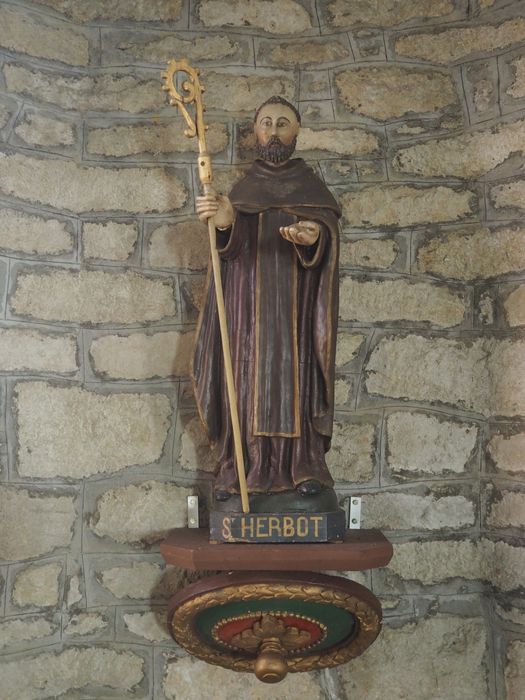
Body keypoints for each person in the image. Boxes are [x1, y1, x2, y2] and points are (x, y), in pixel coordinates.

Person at [192, 96, 341, 502]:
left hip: (296, 306)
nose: (273, 131)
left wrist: (315, 237)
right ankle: (243, 469)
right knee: (246, 380)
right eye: (266, 123)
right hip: (248, 307)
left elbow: (326, 234)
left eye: (283, 123)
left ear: (296, 132)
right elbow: (230, 246)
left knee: (294, 375)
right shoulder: (243, 189)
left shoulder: (312, 188)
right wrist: (225, 221)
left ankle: (303, 466)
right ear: (255, 132)